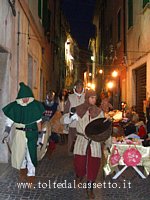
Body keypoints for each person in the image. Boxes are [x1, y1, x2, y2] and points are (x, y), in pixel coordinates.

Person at [2, 82, 45, 185]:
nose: (25, 99)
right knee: (20, 154)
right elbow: (9, 122)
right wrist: (6, 133)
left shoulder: (34, 106)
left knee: (31, 155)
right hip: (20, 134)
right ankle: (22, 172)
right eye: (24, 97)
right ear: (20, 97)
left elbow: (39, 122)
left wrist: (40, 137)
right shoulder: (15, 107)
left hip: (32, 135)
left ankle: (31, 175)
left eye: (27, 97)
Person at [73, 89, 104, 199]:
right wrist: (70, 116)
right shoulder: (79, 110)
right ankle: (79, 176)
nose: (94, 100)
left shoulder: (99, 111)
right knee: (79, 162)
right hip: (82, 139)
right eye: (91, 97)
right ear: (87, 98)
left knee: (94, 163)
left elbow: (103, 127)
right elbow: (65, 121)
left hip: (94, 141)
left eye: (95, 98)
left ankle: (90, 188)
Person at [62, 80, 85, 154]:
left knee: (82, 138)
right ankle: (71, 152)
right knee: (72, 138)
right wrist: (67, 118)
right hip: (73, 122)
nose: (79, 88)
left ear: (82, 87)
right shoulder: (70, 97)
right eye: (77, 86)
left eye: (80, 86)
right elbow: (66, 110)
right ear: (75, 88)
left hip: (82, 122)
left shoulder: (86, 97)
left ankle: (80, 152)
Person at [42, 90, 59, 158]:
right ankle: (42, 151)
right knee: (43, 138)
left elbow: (58, 115)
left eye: (51, 96)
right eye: (48, 95)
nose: (49, 97)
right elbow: (39, 113)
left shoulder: (56, 105)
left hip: (52, 124)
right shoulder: (42, 104)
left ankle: (50, 152)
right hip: (43, 124)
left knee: (53, 138)